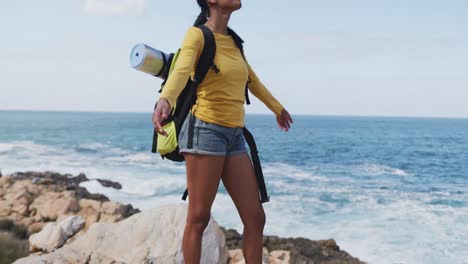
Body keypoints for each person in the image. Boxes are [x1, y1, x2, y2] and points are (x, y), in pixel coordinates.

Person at [152, 0, 293, 263]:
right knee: (198, 217)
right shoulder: (197, 35)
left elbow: (252, 81)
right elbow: (181, 70)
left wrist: (277, 108)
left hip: (234, 136)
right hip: (205, 130)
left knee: (255, 217)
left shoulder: (234, 42)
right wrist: (165, 101)